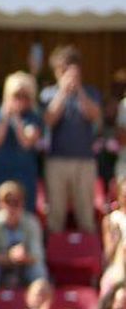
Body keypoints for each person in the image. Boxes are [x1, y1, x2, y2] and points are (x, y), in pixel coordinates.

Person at [42, 46, 103, 234]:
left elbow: (94, 116)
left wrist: (79, 91)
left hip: (84, 161)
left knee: (85, 213)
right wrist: (63, 91)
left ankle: (89, 256)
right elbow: (49, 119)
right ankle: (54, 256)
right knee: (56, 214)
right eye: (62, 70)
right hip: (57, 161)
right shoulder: (48, 94)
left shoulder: (90, 92)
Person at [0, 72, 44, 210]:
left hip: (24, 175)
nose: (20, 100)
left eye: (25, 96)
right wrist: (5, 116)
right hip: (0, 173)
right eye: (17, 95)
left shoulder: (34, 117)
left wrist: (16, 119)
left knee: (25, 212)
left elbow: (26, 143)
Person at [0, 181, 48, 292]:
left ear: (23, 203)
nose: (11, 207)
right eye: (7, 202)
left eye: (16, 202)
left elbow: (38, 255)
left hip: (24, 265)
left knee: (38, 270)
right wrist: (9, 257)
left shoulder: (31, 222)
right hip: (0, 265)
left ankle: (39, 302)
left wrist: (24, 257)